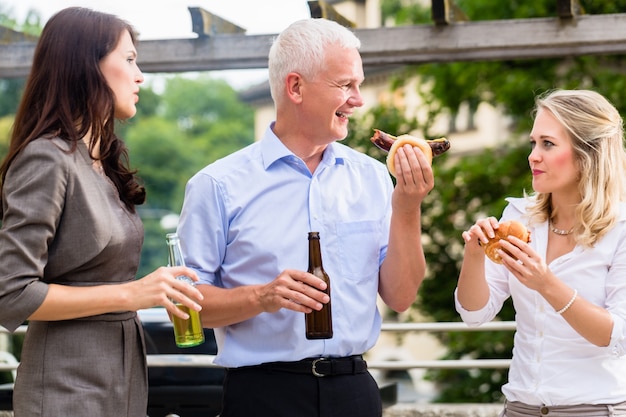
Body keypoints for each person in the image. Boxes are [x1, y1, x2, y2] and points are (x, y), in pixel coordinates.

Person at [176, 18, 433, 417]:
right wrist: (262, 297)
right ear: (295, 87)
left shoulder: (373, 177)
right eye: (345, 85)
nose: (358, 99)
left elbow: (401, 296)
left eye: (359, 85)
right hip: (261, 395)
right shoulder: (216, 185)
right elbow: (189, 307)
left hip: (355, 393)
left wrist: (408, 204)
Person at [0, 7, 204, 417]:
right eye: (129, 59)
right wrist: (134, 293)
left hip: (122, 378)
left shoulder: (101, 162)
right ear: (86, 67)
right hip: (65, 387)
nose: (140, 74)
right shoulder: (47, 158)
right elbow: (10, 293)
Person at [456, 89, 626, 416]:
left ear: (587, 153)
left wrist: (547, 284)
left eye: (548, 144)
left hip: (594, 409)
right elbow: (473, 313)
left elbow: (616, 336)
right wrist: (474, 254)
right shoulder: (518, 218)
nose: (533, 155)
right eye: (533, 143)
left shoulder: (621, 229)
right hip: (520, 408)